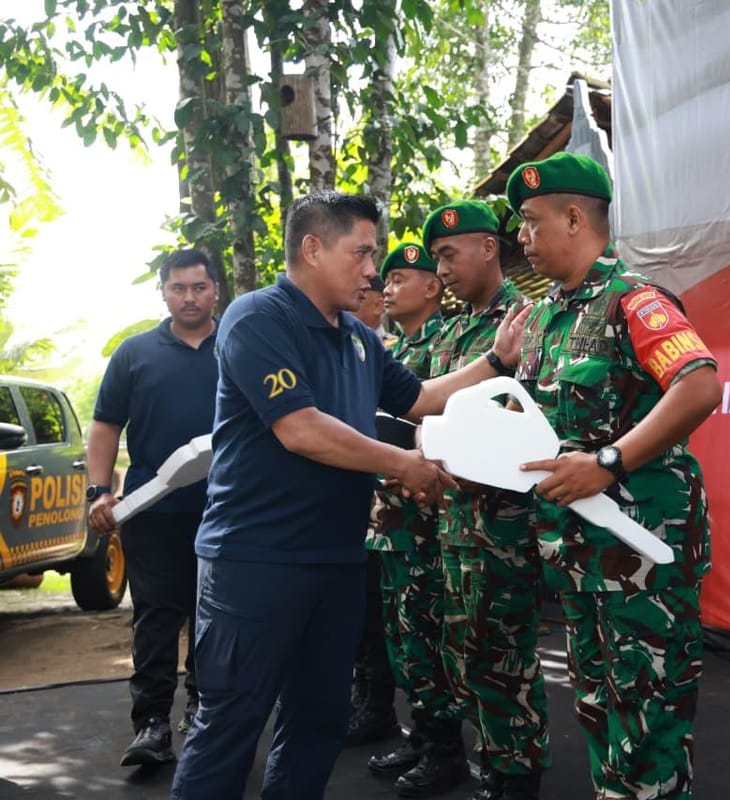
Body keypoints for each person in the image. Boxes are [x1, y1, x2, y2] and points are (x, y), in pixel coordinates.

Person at [168, 191, 528, 800]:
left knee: (319, 718)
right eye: (361, 253)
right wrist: (403, 464)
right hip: (256, 559)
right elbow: (301, 429)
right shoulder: (258, 319)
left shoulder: (358, 339)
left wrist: (494, 360)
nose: (372, 271)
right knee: (231, 721)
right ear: (313, 248)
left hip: (335, 559)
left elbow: (419, 398)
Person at [507, 151, 722, 800]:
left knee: (649, 728)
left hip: (641, 558)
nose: (522, 236)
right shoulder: (541, 319)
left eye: (532, 220)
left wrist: (609, 462)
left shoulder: (635, 301)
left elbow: (699, 384)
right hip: (578, 558)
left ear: (575, 218)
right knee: (601, 716)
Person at [394, 199, 549, 800]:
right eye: (436, 258)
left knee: (502, 653)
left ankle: (517, 774)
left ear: (488, 248)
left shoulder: (526, 320)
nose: (442, 270)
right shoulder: (454, 331)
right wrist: (422, 446)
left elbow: (522, 418)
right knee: (463, 654)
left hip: (501, 521)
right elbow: (423, 410)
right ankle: (491, 763)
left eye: (449, 255)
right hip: (450, 522)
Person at [87, 248, 220, 767]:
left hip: (229, 512)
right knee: (157, 618)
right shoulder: (134, 353)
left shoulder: (239, 346)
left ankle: (207, 714)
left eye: (199, 287)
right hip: (153, 511)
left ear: (215, 291)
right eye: (178, 288)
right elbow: (106, 425)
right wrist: (99, 491)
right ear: (163, 292)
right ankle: (151, 726)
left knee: (217, 619)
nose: (189, 297)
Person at [364, 242, 460, 781]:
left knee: (430, 635)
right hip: (389, 520)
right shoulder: (389, 350)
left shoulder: (452, 344)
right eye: (387, 279)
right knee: (403, 639)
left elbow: (446, 421)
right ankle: (421, 737)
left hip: (428, 520)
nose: (388, 288)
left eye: (400, 278)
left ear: (432, 286)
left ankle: (445, 749)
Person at [345, 271, 402, 748]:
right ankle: (364, 698)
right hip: (361, 510)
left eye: (367, 294)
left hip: (394, 509)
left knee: (381, 618)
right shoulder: (343, 351)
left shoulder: (383, 352)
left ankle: (378, 706)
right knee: (361, 619)